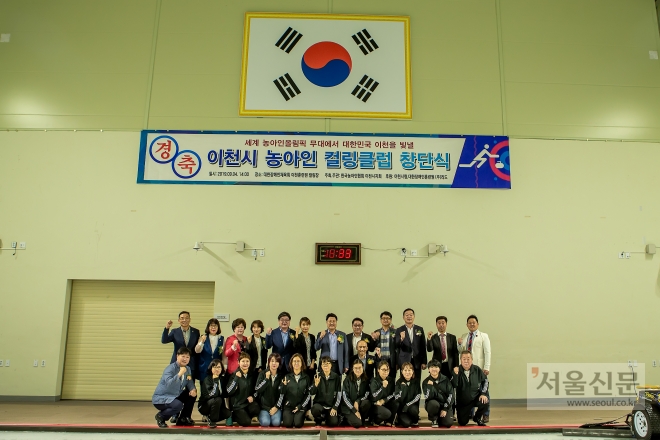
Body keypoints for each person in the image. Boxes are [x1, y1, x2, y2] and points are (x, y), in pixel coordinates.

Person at [152, 347, 197, 428]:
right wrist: (179, 374)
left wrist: (193, 389)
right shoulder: (170, 369)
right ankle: (161, 416)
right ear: (177, 356)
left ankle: (182, 418)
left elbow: (189, 381)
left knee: (191, 395)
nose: (185, 359)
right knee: (178, 405)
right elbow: (169, 384)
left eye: (187, 357)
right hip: (162, 397)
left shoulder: (188, 369)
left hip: (175, 395)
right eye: (183, 356)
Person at [458, 315, 491, 422]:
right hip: (467, 368)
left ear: (477, 324)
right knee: (469, 391)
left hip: (479, 369)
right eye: (469, 323)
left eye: (474, 322)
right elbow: (461, 351)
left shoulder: (484, 336)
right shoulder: (464, 336)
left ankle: (485, 414)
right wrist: (459, 344)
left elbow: (487, 352)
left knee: (484, 391)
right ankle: (470, 413)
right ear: (467, 325)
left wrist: (486, 367)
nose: (472, 324)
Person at [452, 351, 489, 426]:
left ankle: (477, 417)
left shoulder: (477, 369)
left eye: (468, 359)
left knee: (485, 401)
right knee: (462, 422)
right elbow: (454, 385)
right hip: (463, 402)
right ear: (461, 360)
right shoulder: (457, 370)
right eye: (464, 359)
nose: (466, 361)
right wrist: (455, 375)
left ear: (472, 360)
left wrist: (483, 393)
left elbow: (485, 381)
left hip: (475, 397)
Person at [278, 353, 313, 428]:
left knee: (298, 424)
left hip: (300, 407)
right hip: (288, 406)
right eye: (294, 361)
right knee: (288, 424)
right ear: (291, 363)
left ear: (302, 363)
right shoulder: (287, 377)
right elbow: (281, 392)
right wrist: (284, 386)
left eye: (298, 361)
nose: (296, 363)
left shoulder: (306, 377)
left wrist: (300, 406)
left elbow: (308, 394)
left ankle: (302, 415)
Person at [161, 311, 200, 379]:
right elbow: (164, 341)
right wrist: (167, 328)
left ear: (190, 319)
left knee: (190, 383)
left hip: (191, 363)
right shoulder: (175, 331)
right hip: (177, 362)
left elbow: (197, 348)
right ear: (179, 320)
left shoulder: (196, 332)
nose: (184, 320)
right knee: (176, 382)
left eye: (186, 318)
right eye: (182, 318)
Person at [394, 308, 427, 388]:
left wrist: (424, 362)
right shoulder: (399, 329)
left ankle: (416, 396)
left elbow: (423, 346)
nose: (409, 316)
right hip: (404, 360)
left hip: (417, 360)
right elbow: (396, 345)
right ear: (403, 317)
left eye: (411, 315)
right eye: (407, 315)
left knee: (416, 381)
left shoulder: (419, 329)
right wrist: (401, 339)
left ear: (414, 316)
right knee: (404, 382)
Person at [226, 352, 260, 426]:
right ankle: (233, 415)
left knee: (256, 409)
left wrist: (253, 397)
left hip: (247, 403)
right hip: (237, 405)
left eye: (247, 361)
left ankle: (245, 415)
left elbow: (257, 390)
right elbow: (229, 391)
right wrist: (236, 379)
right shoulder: (234, 375)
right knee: (246, 422)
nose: (245, 363)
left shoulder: (251, 375)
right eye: (243, 361)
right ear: (238, 362)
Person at [198, 359, 231, 428]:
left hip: (217, 404)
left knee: (227, 413)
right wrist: (215, 381)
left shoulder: (222, 379)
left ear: (222, 369)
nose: (217, 369)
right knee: (218, 399)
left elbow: (225, 394)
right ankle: (212, 421)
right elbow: (213, 394)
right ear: (211, 369)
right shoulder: (207, 380)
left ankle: (211, 417)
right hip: (204, 406)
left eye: (219, 367)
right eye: (214, 367)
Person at [341, 358, 373, 428]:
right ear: (352, 369)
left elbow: (367, 394)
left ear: (363, 368)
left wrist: (358, 401)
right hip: (348, 408)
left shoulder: (365, 379)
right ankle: (345, 419)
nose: (358, 370)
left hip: (358, 405)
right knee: (357, 423)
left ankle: (362, 419)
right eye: (355, 368)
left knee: (367, 403)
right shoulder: (347, 380)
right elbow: (345, 397)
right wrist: (354, 410)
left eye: (359, 368)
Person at [310, 356, 342, 427]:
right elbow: (311, 392)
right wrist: (315, 385)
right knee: (315, 409)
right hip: (320, 405)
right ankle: (318, 420)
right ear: (321, 366)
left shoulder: (336, 377)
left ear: (331, 365)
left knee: (333, 423)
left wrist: (335, 407)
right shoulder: (317, 376)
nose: (326, 365)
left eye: (328, 363)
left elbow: (339, 394)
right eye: (324, 364)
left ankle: (327, 418)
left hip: (330, 406)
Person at [254, 353, 284, 427]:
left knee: (276, 423)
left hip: (276, 407)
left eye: (276, 361)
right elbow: (257, 389)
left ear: (279, 363)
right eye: (272, 361)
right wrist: (266, 379)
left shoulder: (281, 376)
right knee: (265, 423)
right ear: (269, 362)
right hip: (264, 407)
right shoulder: (262, 374)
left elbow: (282, 393)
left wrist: (276, 407)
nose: (274, 363)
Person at [422, 359, 454, 428]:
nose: (434, 369)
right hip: (433, 404)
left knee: (448, 423)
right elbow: (428, 397)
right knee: (433, 404)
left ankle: (440, 418)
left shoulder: (445, 379)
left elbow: (451, 395)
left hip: (445, 404)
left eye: (436, 367)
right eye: (432, 367)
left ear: (439, 369)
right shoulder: (425, 382)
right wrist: (430, 387)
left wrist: (445, 408)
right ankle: (434, 419)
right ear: (428, 369)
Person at [369, 360, 399, 426]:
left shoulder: (390, 380)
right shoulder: (374, 381)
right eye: (383, 370)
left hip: (385, 402)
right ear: (378, 370)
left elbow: (393, 394)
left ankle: (389, 421)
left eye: (387, 370)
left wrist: (384, 400)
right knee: (387, 413)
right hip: (376, 404)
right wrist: (383, 387)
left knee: (396, 403)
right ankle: (374, 421)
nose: (385, 372)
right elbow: (374, 396)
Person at [195, 318, 224, 382]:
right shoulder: (203, 337)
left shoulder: (221, 338)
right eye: (211, 325)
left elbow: (222, 354)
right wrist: (201, 342)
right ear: (208, 327)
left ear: (218, 327)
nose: (213, 327)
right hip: (204, 367)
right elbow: (197, 350)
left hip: (216, 369)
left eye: (215, 326)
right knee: (204, 386)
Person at [394, 362, 421, 428]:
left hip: (411, 406)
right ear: (402, 372)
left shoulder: (416, 382)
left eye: (409, 370)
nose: (407, 372)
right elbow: (398, 397)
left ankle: (414, 420)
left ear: (412, 371)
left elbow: (418, 396)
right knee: (407, 423)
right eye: (405, 370)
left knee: (414, 411)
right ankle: (399, 418)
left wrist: (408, 405)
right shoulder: (399, 382)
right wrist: (404, 388)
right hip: (402, 409)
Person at [293, 316, 317, 383]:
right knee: (303, 382)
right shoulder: (299, 336)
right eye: (303, 325)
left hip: (311, 365)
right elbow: (295, 347)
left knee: (311, 382)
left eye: (307, 324)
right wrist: (296, 333)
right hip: (302, 364)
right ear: (300, 326)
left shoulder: (312, 337)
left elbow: (313, 351)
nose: (305, 326)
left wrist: (312, 363)